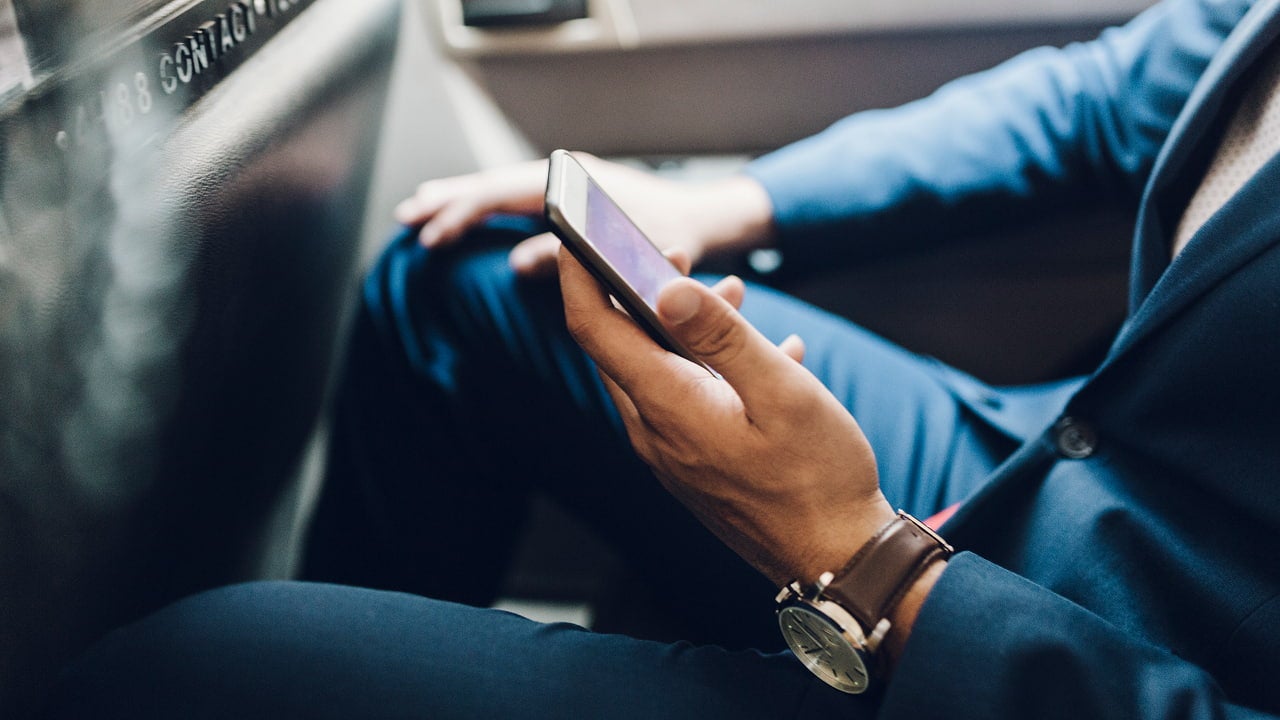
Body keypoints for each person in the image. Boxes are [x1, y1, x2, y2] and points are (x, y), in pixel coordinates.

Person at [41, 0, 1280, 717]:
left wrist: (863, 564)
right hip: (1055, 463)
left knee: (180, 676)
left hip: (1096, 656)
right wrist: (726, 205)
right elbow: (1106, 100)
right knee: (463, 280)